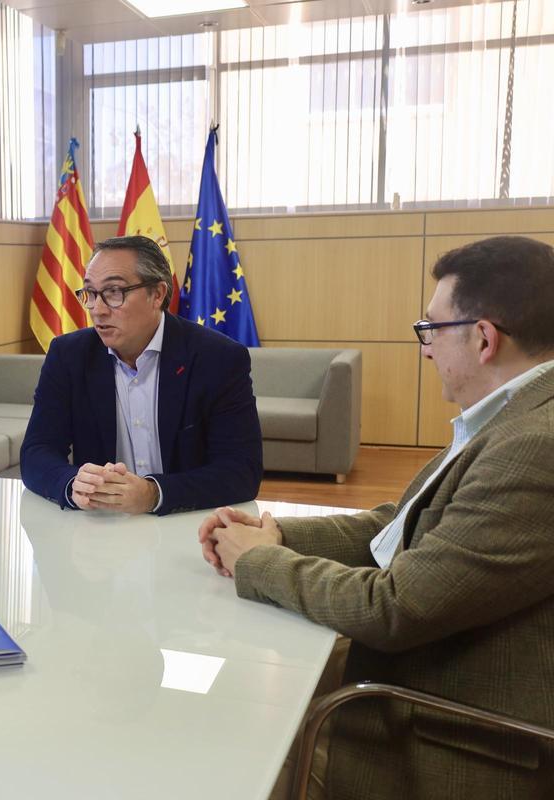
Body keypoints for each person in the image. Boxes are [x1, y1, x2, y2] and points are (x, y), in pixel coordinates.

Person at [199, 235, 554, 799]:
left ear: (484, 338)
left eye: (430, 330)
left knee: (230, 751)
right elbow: (406, 522)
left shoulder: (533, 444)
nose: (426, 349)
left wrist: (262, 561)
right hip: (424, 672)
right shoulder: (516, 415)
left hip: (441, 726)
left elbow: (393, 608)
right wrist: (282, 532)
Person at [20, 235, 262, 515]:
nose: (97, 310)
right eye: (90, 293)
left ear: (157, 294)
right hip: (102, 528)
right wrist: (74, 484)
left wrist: (153, 493)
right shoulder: (68, 356)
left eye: (114, 292)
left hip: (186, 523)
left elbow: (241, 470)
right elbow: (36, 452)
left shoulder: (217, 358)